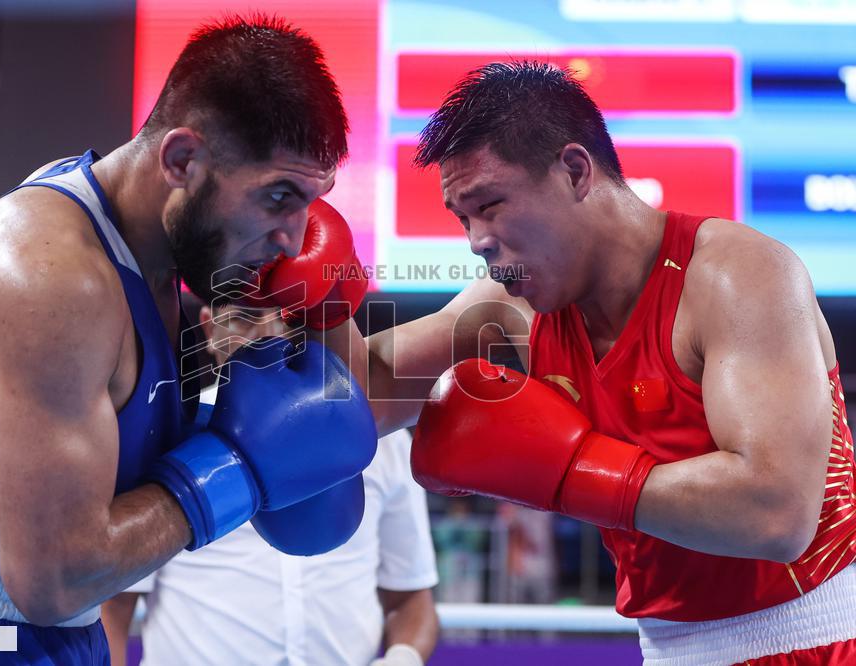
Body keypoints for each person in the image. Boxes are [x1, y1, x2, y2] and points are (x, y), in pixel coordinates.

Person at [0, 15, 377, 664]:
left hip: (56, 639)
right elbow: (54, 579)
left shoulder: (157, 258)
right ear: (182, 159)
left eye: (310, 201)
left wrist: (331, 310)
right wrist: (238, 472)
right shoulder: (53, 278)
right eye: (278, 196)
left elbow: (352, 407)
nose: (294, 238)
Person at [364, 61, 856, 664]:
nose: (476, 239)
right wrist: (293, 319)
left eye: (490, 204)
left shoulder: (736, 276)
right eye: (462, 218)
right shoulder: (513, 310)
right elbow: (369, 389)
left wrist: (571, 472)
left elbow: (777, 512)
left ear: (575, 171)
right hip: (669, 650)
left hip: (818, 641)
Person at [101, 302, 439, 666]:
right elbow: (114, 606)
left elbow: (410, 598)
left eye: (287, 317)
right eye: (244, 317)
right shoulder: (170, 434)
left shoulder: (379, 438)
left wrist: (402, 658)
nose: (268, 333)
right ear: (210, 330)